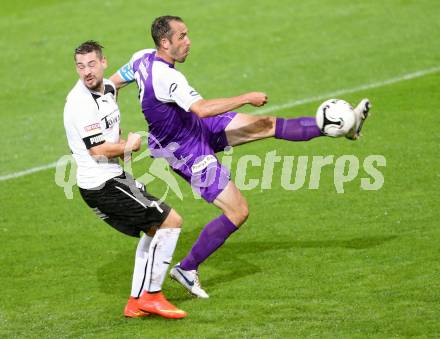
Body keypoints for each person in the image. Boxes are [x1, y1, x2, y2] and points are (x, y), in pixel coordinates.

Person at [110, 16, 371, 298]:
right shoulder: (167, 77)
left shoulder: (141, 58)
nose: (189, 42)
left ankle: (338, 126)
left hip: (194, 128)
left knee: (267, 124)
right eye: (182, 36)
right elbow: (203, 108)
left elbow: (111, 84)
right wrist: (246, 96)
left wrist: (110, 117)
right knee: (238, 211)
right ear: (165, 42)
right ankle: (186, 269)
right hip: (185, 150)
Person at [63, 40, 187, 319]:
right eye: (80, 67)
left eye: (92, 64)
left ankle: (136, 302)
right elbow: (97, 150)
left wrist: (152, 57)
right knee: (171, 221)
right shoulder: (79, 103)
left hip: (114, 177)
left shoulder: (108, 87)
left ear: (103, 63)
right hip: (101, 185)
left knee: (155, 229)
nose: (86, 72)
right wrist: (128, 146)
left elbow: (119, 93)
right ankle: (153, 296)